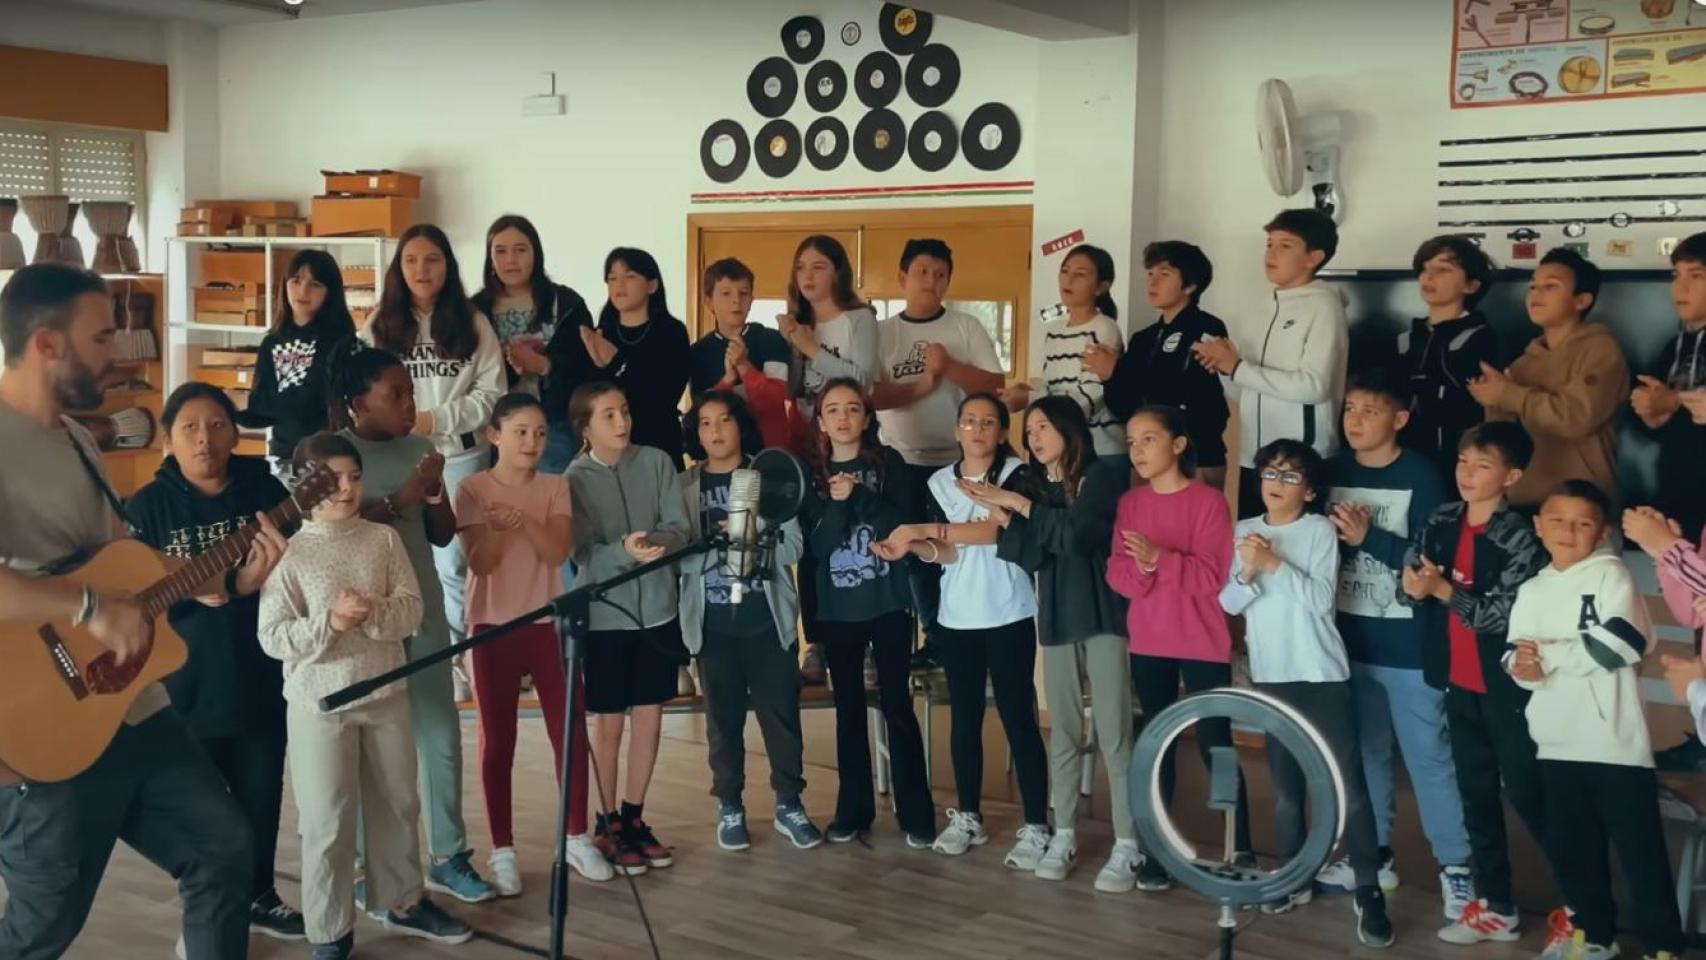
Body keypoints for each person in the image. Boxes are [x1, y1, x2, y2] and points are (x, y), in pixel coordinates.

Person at [0, 262, 253, 960]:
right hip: (39, 726)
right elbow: (87, 596)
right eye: (103, 335)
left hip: (131, 708)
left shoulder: (80, 441)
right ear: (48, 344)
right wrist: (87, 607)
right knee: (43, 926)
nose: (119, 350)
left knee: (224, 849)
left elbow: (121, 562)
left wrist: (201, 577)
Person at [259, 431, 472, 959]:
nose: (347, 489)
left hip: (385, 693)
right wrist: (329, 624)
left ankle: (403, 901)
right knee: (327, 820)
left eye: (354, 478)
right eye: (332, 481)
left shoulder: (382, 540)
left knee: (399, 804)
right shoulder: (289, 553)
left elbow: (411, 608)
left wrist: (372, 613)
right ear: (303, 486)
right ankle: (329, 930)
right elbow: (273, 636)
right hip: (319, 704)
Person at [127, 382, 302, 940]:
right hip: (186, 681)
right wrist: (216, 581)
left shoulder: (264, 491)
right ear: (169, 438)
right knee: (203, 810)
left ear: (235, 432)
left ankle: (259, 895)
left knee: (261, 788)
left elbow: (300, 559)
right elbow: (131, 591)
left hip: (260, 667)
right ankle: (207, 908)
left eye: (218, 425)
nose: (205, 439)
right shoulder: (147, 507)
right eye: (190, 428)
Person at [328, 344, 496, 903]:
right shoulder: (333, 458)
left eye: (410, 391)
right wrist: (402, 495)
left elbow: (443, 532)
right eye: (394, 394)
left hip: (418, 611)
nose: (409, 403)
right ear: (357, 403)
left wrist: (430, 491)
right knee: (363, 748)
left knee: (440, 735)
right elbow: (339, 532)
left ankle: (449, 855)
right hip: (362, 624)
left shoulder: (423, 448)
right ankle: (358, 865)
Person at [1218, 439, 1393, 946]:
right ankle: (1292, 879)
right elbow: (1229, 600)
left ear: (1310, 490)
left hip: (1319, 673)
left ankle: (1368, 889)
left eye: (1291, 477)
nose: (1277, 483)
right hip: (1272, 674)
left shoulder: (1317, 530)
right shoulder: (1244, 530)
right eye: (1271, 473)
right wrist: (1250, 571)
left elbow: (1319, 602)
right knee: (1286, 786)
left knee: (1347, 789)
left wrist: (1273, 564)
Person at [1506, 481, 1685, 960]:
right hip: (1554, 741)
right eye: (1558, 520)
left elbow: (1621, 643)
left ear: (1601, 532)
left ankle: (1662, 947)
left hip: (1615, 744)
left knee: (1641, 853)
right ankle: (1595, 937)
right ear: (1539, 526)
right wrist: (1523, 668)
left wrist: (1551, 656)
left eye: (1583, 523)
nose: (1569, 531)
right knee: (1575, 852)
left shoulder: (1612, 576)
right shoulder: (1531, 589)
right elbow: (1517, 655)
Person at [874, 393, 1050, 869]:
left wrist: (922, 528)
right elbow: (947, 553)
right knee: (964, 720)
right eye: (969, 421)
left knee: (1018, 718)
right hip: (957, 617)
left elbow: (996, 534)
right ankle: (968, 815)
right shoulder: (936, 482)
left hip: (1009, 612)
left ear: (1000, 431)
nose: (977, 429)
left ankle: (1036, 825)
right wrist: (914, 548)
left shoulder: (1017, 476)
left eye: (988, 422)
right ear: (956, 430)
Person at [1322, 369, 1473, 920]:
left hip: (1408, 645)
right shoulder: (1332, 471)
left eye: (1369, 410)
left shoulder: (1423, 476)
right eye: (1350, 410)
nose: (1355, 420)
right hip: (1347, 641)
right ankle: (1375, 856)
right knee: (1366, 755)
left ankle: (1457, 870)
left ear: (1400, 419)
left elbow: (1435, 562)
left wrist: (1371, 539)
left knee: (1430, 759)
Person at [970, 396, 1137, 890]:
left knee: (1114, 731)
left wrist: (1020, 509)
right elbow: (1028, 554)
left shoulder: (1102, 476)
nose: (1035, 438)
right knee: (1063, 729)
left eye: (1043, 427)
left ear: (1069, 429)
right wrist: (1006, 519)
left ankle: (1128, 843)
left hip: (1105, 615)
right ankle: (1063, 832)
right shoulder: (1029, 483)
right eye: (1030, 431)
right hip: (1058, 616)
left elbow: (1079, 536)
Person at [1400, 421, 1554, 945]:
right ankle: (1498, 905)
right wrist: (1416, 586)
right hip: (1455, 677)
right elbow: (1409, 586)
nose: (1466, 472)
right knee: (1476, 795)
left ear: (1511, 475)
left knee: (1531, 793)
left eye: (1482, 465)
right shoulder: (1442, 518)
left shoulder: (1523, 537)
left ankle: (1585, 903)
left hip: (1507, 683)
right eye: (1463, 461)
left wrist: (1442, 590)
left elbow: (1502, 618)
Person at [455, 394, 611, 893]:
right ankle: (502, 849)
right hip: (491, 626)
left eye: (541, 432)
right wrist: (499, 531)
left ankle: (577, 835)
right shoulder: (472, 488)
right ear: (494, 435)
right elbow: (480, 562)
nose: (532, 441)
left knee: (568, 731)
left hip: (548, 623)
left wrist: (522, 522)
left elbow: (557, 550)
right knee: (497, 740)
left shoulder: (554, 486)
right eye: (521, 431)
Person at [362, 222, 505, 713]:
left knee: (455, 562)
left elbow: (492, 394)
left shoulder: (471, 321)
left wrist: (434, 418)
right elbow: (363, 390)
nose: (422, 270)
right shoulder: (380, 324)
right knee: (402, 558)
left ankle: (463, 661)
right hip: (398, 456)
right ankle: (427, 660)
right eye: (412, 260)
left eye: (433, 260)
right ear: (398, 269)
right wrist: (402, 423)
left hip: (461, 454)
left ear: (448, 265)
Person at [1106, 404, 1250, 889]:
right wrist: (1148, 567)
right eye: (1131, 442)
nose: (1138, 450)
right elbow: (1119, 574)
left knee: (1216, 744)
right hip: (1148, 638)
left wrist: (1158, 558)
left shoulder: (1208, 502)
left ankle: (1241, 845)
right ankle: (1157, 851)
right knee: (1157, 743)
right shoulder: (1130, 504)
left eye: (1148, 439)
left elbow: (1212, 576)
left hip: (1203, 639)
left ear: (1179, 444)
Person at [677, 391, 820, 850]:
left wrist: (755, 531)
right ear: (695, 432)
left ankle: (789, 804)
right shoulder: (684, 487)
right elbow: (674, 558)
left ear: (741, 424)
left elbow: (796, 548)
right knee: (722, 720)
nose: (716, 431)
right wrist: (710, 546)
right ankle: (730, 805)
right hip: (713, 623)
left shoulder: (771, 473)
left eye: (724, 420)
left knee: (781, 716)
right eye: (705, 423)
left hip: (766, 618)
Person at [799, 378, 936, 847]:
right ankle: (852, 811)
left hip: (890, 603)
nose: (843, 418)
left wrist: (857, 495)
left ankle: (916, 812)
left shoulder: (888, 463)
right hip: (837, 609)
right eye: (832, 410)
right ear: (820, 421)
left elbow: (901, 527)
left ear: (866, 417)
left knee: (897, 705)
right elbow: (815, 547)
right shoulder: (810, 474)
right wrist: (838, 506)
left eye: (852, 408)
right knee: (848, 711)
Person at [565, 381, 691, 875]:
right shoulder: (573, 478)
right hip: (606, 619)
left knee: (650, 718)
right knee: (609, 726)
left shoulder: (658, 462)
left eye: (625, 411)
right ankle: (606, 822)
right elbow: (583, 555)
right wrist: (623, 552)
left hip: (658, 610)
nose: (622, 422)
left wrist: (653, 545)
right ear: (585, 428)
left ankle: (635, 819)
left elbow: (679, 529)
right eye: (609, 415)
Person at [871, 238, 1003, 672]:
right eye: (922, 272)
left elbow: (994, 387)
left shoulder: (965, 327)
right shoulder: (884, 333)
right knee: (913, 550)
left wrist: (948, 369)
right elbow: (869, 395)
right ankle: (935, 637)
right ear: (902, 278)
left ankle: (965, 633)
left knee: (964, 550)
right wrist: (924, 385)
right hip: (901, 460)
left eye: (940, 274)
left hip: (959, 462)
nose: (931, 281)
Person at [1193, 208, 1348, 519]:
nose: (1271, 253)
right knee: (1252, 548)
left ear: (1313, 257)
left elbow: (1314, 386)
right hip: (1255, 457)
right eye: (1269, 243)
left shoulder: (1324, 305)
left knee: (1295, 552)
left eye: (1285, 245)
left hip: (1301, 459)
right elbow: (1245, 388)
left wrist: (1237, 368)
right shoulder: (1260, 307)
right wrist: (1222, 367)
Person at [1470, 248, 1628, 509]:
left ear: (1582, 300)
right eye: (1532, 286)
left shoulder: (1600, 349)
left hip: (1583, 510)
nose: (1536, 294)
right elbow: (1504, 441)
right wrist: (1493, 399)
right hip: (1525, 506)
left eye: (1550, 286)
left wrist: (1508, 395)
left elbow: (1575, 418)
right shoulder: (1522, 363)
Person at [1090, 240, 1231, 490]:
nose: (1153, 282)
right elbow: (1125, 406)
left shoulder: (1208, 327)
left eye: (1164, 274)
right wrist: (1109, 376)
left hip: (1196, 455)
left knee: (1193, 526)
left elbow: (1188, 389)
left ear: (1190, 285)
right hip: (1146, 456)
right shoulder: (1143, 338)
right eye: (1150, 274)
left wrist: (1121, 371)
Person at [469, 214, 599, 475]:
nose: (510, 260)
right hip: (496, 427)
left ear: (536, 254)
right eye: (500, 251)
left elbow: (587, 369)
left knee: (555, 505)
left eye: (520, 250)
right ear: (490, 258)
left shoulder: (567, 304)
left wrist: (544, 365)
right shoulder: (474, 310)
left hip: (556, 426)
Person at [238, 248, 356, 473]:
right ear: (284, 284)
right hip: (283, 456)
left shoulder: (340, 342)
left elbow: (319, 401)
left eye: (315, 284)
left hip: (328, 458)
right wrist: (227, 413)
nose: (303, 290)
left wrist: (282, 403)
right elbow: (261, 408)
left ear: (330, 293)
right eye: (296, 280)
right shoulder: (271, 343)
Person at [1397, 235, 1499, 482]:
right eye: (1424, 269)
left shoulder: (1481, 337)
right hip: (1407, 458)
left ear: (1471, 285)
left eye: (1443, 270)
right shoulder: (1405, 340)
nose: (1429, 277)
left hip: (1461, 463)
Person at [583, 247, 692, 467]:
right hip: (610, 450)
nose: (619, 285)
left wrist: (617, 361)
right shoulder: (601, 334)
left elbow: (664, 396)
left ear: (652, 285)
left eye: (629, 276)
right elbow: (589, 397)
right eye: (612, 278)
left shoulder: (671, 331)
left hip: (659, 446)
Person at [689, 258, 798, 450]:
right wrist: (728, 379)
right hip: (720, 456)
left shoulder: (771, 339)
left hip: (769, 451)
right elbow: (702, 413)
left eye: (743, 293)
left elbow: (775, 400)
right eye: (726, 293)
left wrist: (744, 367)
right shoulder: (698, 352)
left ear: (751, 300)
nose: (736, 301)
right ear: (708, 302)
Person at [1032, 244, 1126, 465]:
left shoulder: (1104, 328)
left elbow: (1094, 392)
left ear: (1101, 286)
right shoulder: (1053, 331)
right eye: (1064, 271)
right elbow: (1047, 386)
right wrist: (1029, 400)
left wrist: (1052, 423)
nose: (1068, 280)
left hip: (1100, 448)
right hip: (1061, 445)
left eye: (1080, 274)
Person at [781, 233, 880, 414]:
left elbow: (864, 382)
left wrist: (812, 350)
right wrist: (794, 352)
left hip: (848, 427)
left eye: (818, 267)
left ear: (837, 274)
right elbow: (790, 392)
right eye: (800, 268)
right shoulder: (797, 323)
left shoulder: (860, 318)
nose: (807, 276)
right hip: (805, 432)